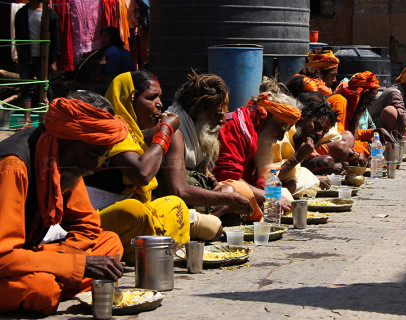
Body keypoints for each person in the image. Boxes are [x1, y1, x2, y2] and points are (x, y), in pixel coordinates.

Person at [0, 97, 126, 315]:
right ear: (67, 140)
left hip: (28, 255)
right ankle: (58, 282)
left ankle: (57, 278)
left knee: (110, 244)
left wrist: (68, 261)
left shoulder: (66, 159)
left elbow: (88, 226)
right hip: (6, 261)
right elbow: (3, 257)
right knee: (42, 291)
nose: (92, 167)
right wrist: (75, 266)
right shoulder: (12, 166)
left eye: (101, 156)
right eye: (93, 154)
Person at [84, 71, 221, 264]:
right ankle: (153, 246)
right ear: (130, 99)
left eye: (159, 97)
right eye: (150, 98)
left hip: (137, 217)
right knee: (134, 210)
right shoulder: (113, 128)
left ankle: (155, 245)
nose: (159, 104)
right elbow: (142, 174)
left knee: (175, 204)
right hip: (99, 218)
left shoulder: (134, 133)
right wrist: (165, 131)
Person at [160, 71, 259, 226]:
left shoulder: (197, 127)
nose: (222, 121)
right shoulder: (175, 131)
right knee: (230, 197)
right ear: (196, 110)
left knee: (230, 194)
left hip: (190, 198)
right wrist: (227, 199)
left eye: (224, 114)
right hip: (170, 204)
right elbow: (179, 190)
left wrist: (210, 180)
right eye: (217, 114)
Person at [213, 91, 302, 215]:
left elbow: (257, 176)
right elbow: (228, 177)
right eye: (281, 129)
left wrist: (267, 196)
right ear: (266, 117)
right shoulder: (235, 126)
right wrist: (271, 198)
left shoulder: (256, 131)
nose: (281, 138)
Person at [272, 91, 338, 196]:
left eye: (324, 132)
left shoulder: (299, 139)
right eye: (317, 125)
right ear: (303, 116)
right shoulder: (282, 135)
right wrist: (297, 158)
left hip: (285, 179)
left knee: (305, 178)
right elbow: (270, 180)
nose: (319, 133)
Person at [15, 0, 60, 127]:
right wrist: (18, 57)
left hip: (44, 58)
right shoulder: (22, 13)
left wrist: (54, 60)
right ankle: (27, 121)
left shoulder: (50, 15)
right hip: (26, 56)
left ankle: (49, 119)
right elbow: (18, 37)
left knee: (46, 87)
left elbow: (56, 38)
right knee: (26, 87)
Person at [327, 71, 390, 160]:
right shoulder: (339, 101)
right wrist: (362, 149)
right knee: (365, 150)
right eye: (369, 98)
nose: (371, 103)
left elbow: (352, 133)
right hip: (331, 147)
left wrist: (373, 132)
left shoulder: (351, 105)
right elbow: (340, 138)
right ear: (359, 94)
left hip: (341, 144)